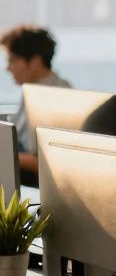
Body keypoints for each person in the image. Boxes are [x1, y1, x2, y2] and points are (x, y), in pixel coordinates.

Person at [1, 26, 71, 183]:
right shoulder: (31, 89)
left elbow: (49, 164)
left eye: (13, 60)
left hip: (37, 180)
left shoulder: (59, 96)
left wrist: (7, 156)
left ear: (35, 61)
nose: (7, 68)